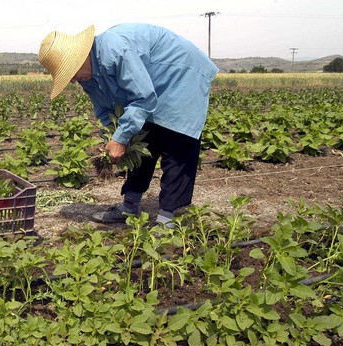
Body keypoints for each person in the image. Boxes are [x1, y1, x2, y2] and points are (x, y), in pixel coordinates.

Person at [38, 23, 219, 226]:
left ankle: (170, 218)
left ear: (80, 58)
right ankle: (129, 206)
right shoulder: (86, 77)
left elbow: (143, 98)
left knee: (177, 144)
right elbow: (105, 110)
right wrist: (113, 136)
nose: (71, 81)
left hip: (180, 75)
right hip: (149, 85)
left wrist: (121, 138)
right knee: (139, 140)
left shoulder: (115, 51)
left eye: (70, 73)